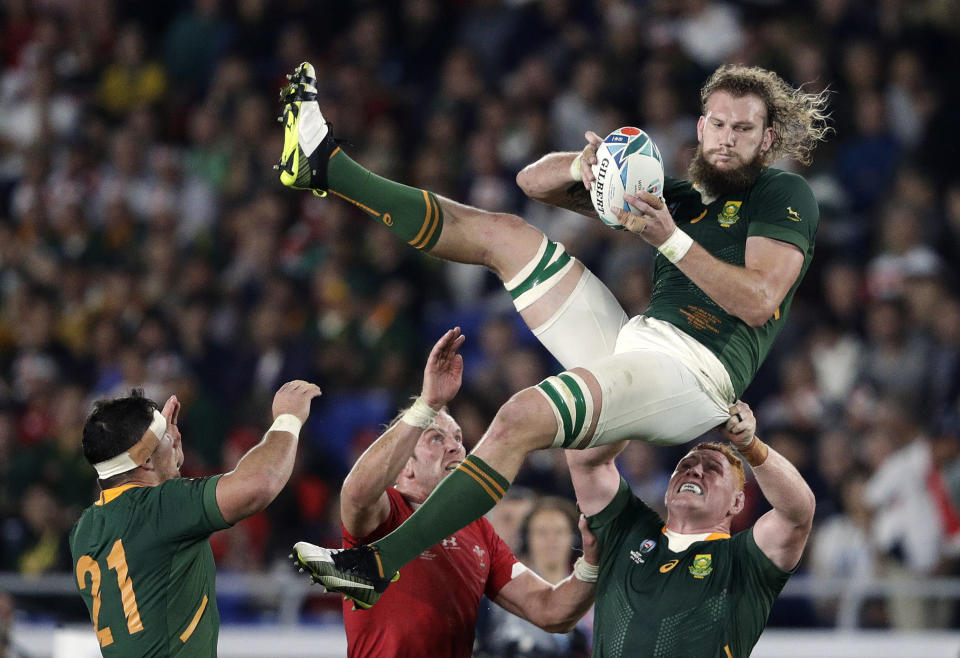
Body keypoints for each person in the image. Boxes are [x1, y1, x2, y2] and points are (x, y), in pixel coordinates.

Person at [280, 61, 829, 607]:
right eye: (718, 124)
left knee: (522, 414)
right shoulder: (678, 197)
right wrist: (582, 165)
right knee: (504, 233)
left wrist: (669, 240)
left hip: (696, 374)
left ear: (768, 138)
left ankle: (377, 565)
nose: (727, 140)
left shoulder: (780, 193)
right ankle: (327, 167)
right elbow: (530, 182)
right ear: (701, 125)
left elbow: (759, 302)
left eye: (743, 129)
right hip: (637, 344)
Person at [293, 328, 598, 658]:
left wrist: (593, 563)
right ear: (404, 468)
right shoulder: (387, 514)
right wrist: (427, 405)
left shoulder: (480, 531)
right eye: (436, 438)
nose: (455, 447)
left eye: (458, 438)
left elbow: (553, 611)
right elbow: (355, 493)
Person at [70, 380, 321, 656]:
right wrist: (288, 419)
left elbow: (139, 506)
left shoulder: (84, 529)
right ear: (146, 461)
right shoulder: (161, 509)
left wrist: (159, 451)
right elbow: (261, 483)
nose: (176, 438)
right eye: (165, 436)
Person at [564, 402, 815, 656]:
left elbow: (797, 513)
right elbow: (584, 459)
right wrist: (649, 403)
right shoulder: (630, 531)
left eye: (712, 470)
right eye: (684, 467)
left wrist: (750, 446)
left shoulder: (743, 558)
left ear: (737, 502)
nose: (694, 471)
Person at [474, 496, 591, 658]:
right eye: (542, 532)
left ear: (573, 538)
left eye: (559, 531)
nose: (551, 540)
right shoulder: (507, 588)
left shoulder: (591, 591)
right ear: (528, 539)